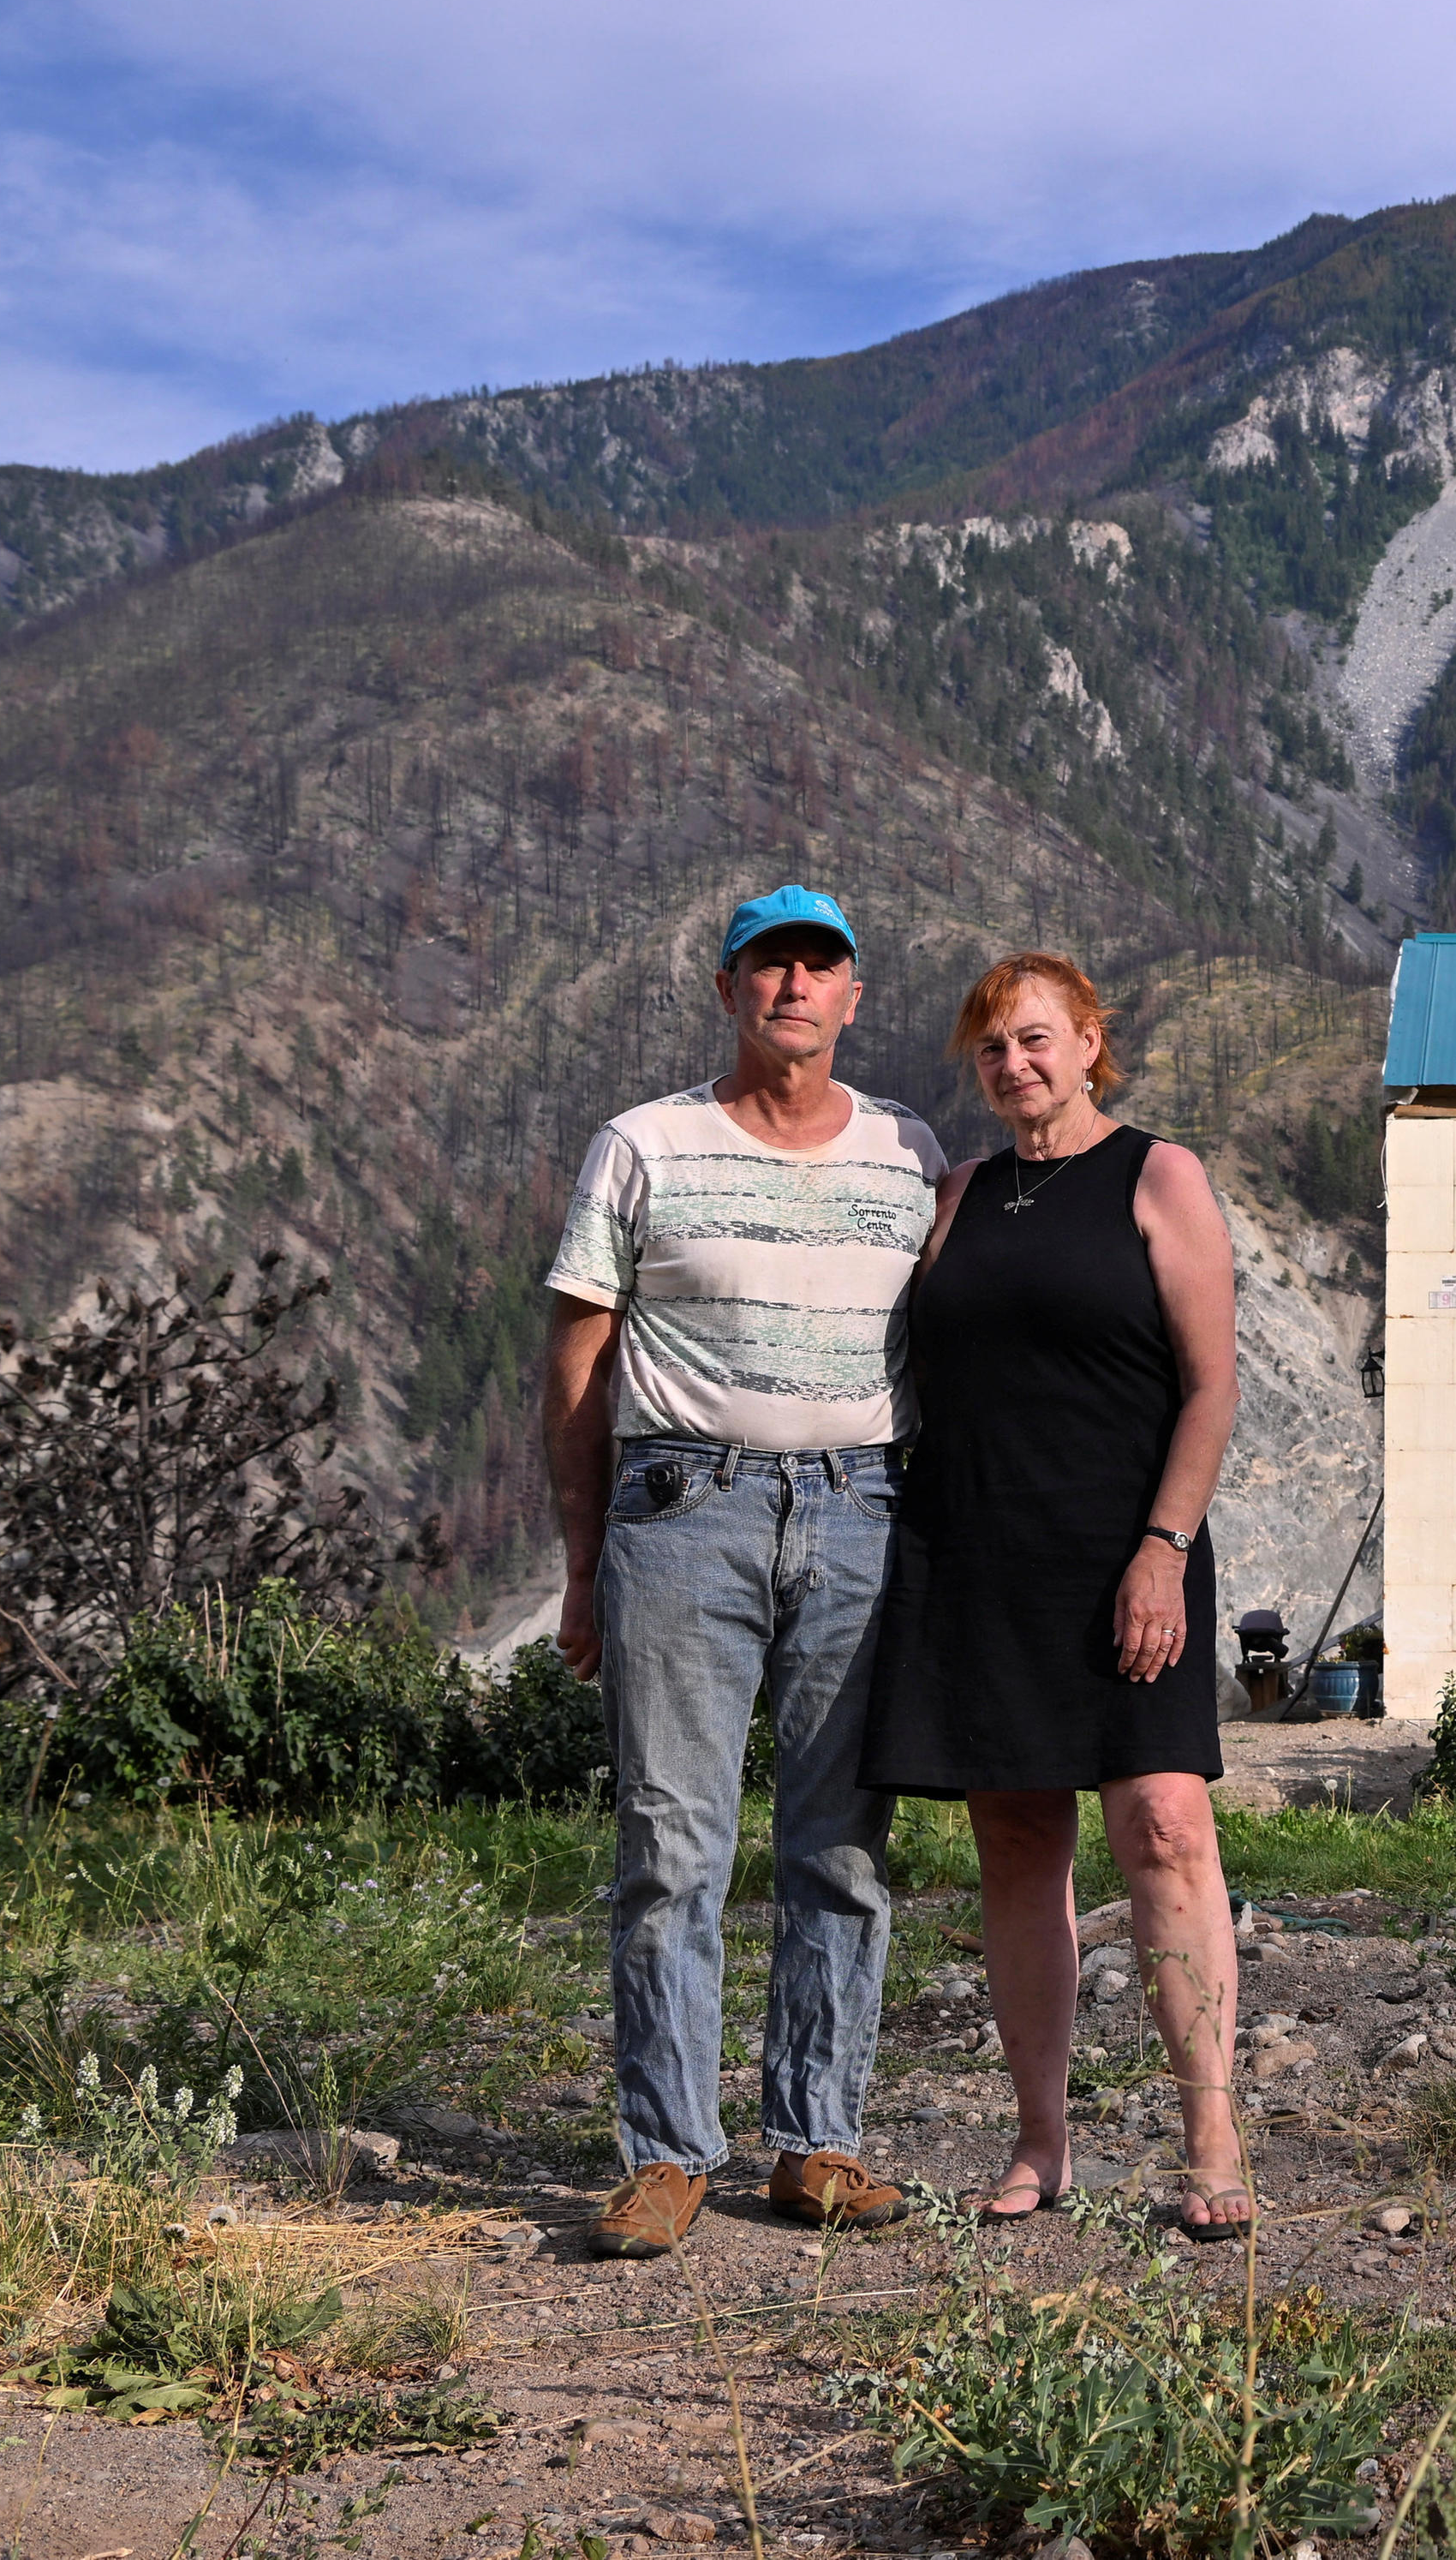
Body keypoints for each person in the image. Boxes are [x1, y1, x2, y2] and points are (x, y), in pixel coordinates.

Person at [542, 885, 945, 2258]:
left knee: (842, 1845)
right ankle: (668, 2154)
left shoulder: (910, 1152)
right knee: (671, 1844)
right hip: (683, 1509)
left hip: (862, 1515)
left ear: (852, 994)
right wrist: (584, 1555)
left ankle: (816, 2141)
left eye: (818, 963)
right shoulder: (643, 1146)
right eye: (767, 963)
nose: (793, 984)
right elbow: (578, 1366)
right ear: (727, 990)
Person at [863, 952, 1251, 2239]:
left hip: (1125, 1555)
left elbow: (1210, 1388)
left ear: (1092, 1042)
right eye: (991, 1049)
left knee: (1163, 1830)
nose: (1014, 1066)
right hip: (977, 1557)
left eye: (1037, 1040)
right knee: (1019, 1852)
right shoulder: (958, 1194)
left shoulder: (1161, 1177)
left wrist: (1163, 1546)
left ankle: (1212, 2142)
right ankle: (1041, 2147)